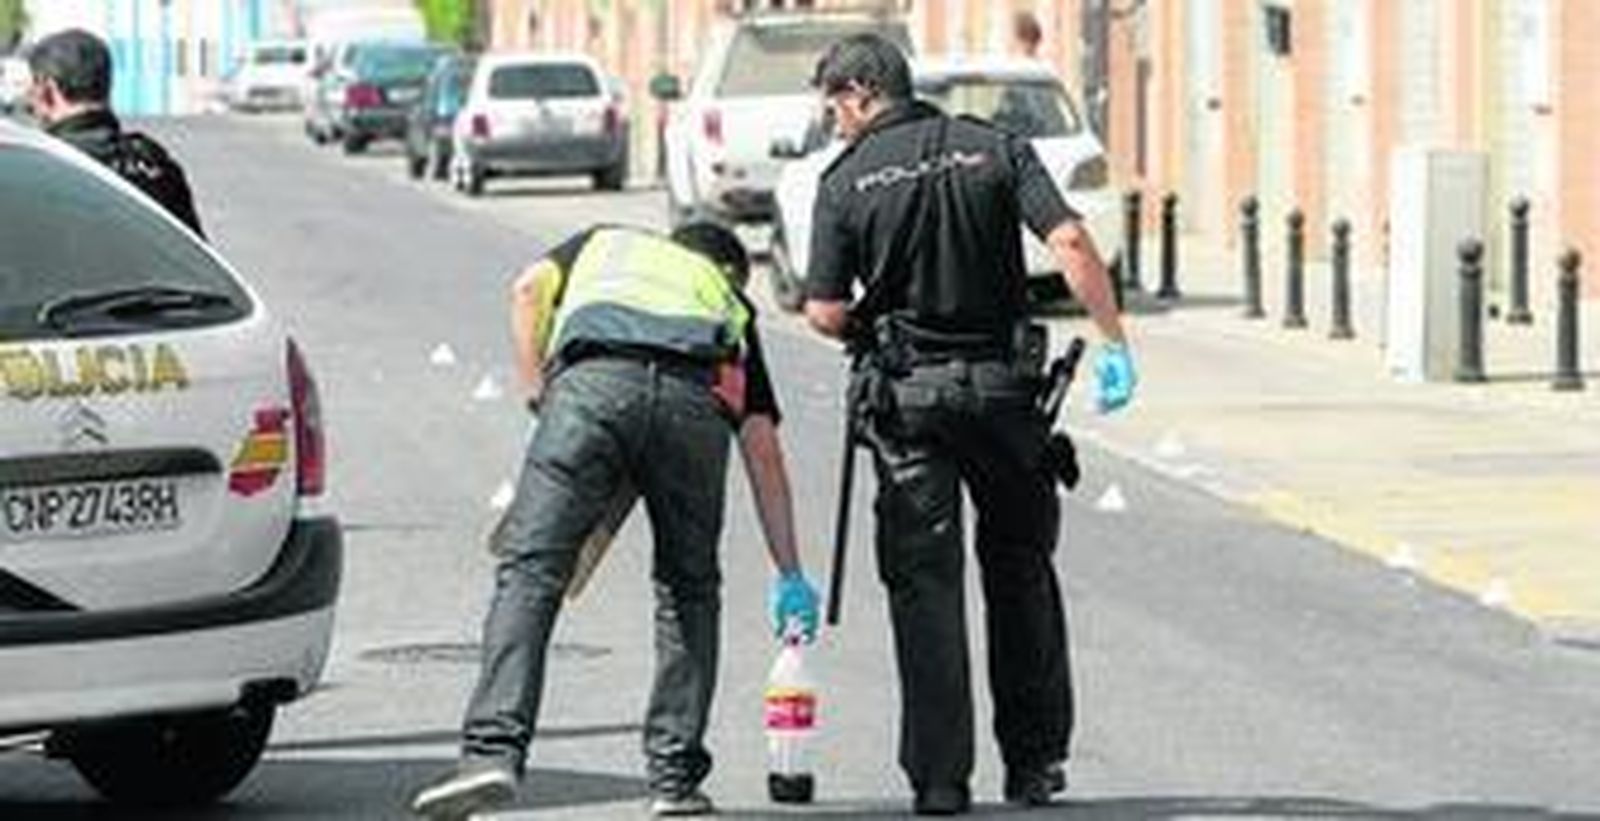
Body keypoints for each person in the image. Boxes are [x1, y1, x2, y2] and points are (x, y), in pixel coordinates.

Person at [801, 34, 1136, 816]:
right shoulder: (995, 148)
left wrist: (870, 334)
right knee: (1020, 572)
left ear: (859, 91)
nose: (834, 123)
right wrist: (1115, 340)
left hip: (909, 404)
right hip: (1006, 400)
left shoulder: (845, 181)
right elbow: (1072, 240)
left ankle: (940, 781)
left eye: (834, 106)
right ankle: (1033, 764)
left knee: (925, 587)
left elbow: (820, 310)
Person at [411, 222, 820, 820]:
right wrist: (790, 572)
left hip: (591, 385)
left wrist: (539, 395)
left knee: (530, 574)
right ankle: (674, 782)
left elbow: (527, 291)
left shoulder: (606, 243)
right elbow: (761, 446)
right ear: (725, 269)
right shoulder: (726, 298)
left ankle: (489, 755)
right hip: (691, 400)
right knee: (688, 588)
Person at [25, 28, 205, 236]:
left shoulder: (35, 169)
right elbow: (197, 259)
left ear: (45, 90)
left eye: (32, 86)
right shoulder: (154, 164)